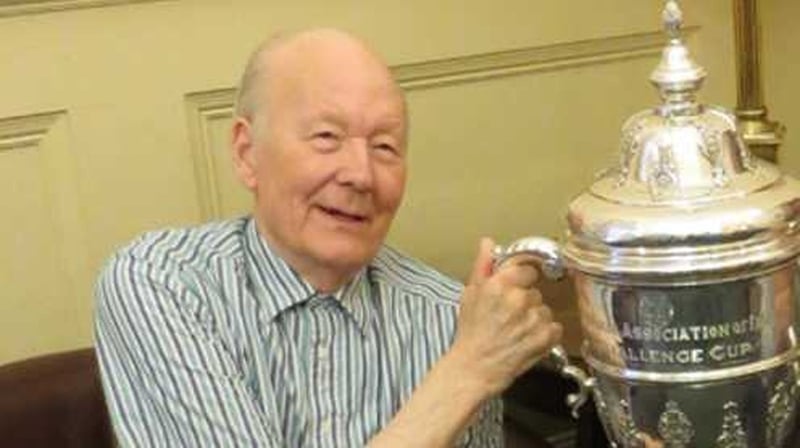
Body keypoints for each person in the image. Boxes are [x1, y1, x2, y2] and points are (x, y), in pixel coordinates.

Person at [94, 28, 563, 447]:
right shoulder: (160, 283)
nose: (361, 175)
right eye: (326, 137)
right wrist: (467, 373)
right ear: (246, 152)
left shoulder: (449, 317)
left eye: (384, 147)